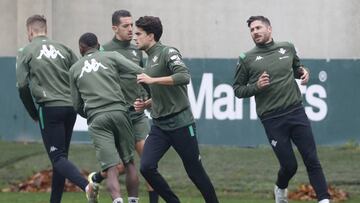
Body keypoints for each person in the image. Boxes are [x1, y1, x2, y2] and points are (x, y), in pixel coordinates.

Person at [232, 15, 331, 203]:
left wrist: (303, 72)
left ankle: (324, 199)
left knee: (311, 159)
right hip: (272, 119)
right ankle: (280, 188)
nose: (255, 32)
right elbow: (237, 89)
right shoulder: (246, 58)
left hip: (296, 112)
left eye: (258, 28)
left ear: (269, 29)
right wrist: (256, 87)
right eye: (252, 30)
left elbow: (296, 69)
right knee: (289, 165)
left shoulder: (287, 47)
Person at [133, 16, 219, 203]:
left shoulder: (167, 52)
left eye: (138, 34)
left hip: (181, 123)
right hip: (159, 126)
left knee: (195, 172)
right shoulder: (148, 60)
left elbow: (184, 76)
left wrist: (152, 80)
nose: (134, 37)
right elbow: (161, 94)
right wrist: (146, 104)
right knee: (146, 167)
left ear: (151, 35)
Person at [15, 14, 99, 203]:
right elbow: (80, 73)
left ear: (30, 31)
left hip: (49, 108)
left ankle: (87, 186)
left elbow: (21, 86)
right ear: (46, 29)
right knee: (61, 159)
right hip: (70, 109)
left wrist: (33, 112)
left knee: (58, 157)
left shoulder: (26, 50)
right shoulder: (64, 49)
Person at [88, 10, 159, 203]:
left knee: (149, 163)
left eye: (131, 25)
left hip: (137, 116)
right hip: (118, 115)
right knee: (120, 167)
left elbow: (144, 78)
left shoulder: (137, 49)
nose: (131, 30)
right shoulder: (104, 51)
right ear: (114, 28)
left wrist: (149, 100)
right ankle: (96, 179)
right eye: (126, 26)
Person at [69, 32, 145, 203]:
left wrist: (90, 114)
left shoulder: (74, 69)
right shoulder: (111, 56)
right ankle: (133, 200)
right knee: (129, 162)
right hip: (120, 112)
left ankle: (117, 200)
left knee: (111, 168)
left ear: (81, 48)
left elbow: (76, 105)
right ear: (98, 45)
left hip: (97, 118)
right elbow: (139, 71)